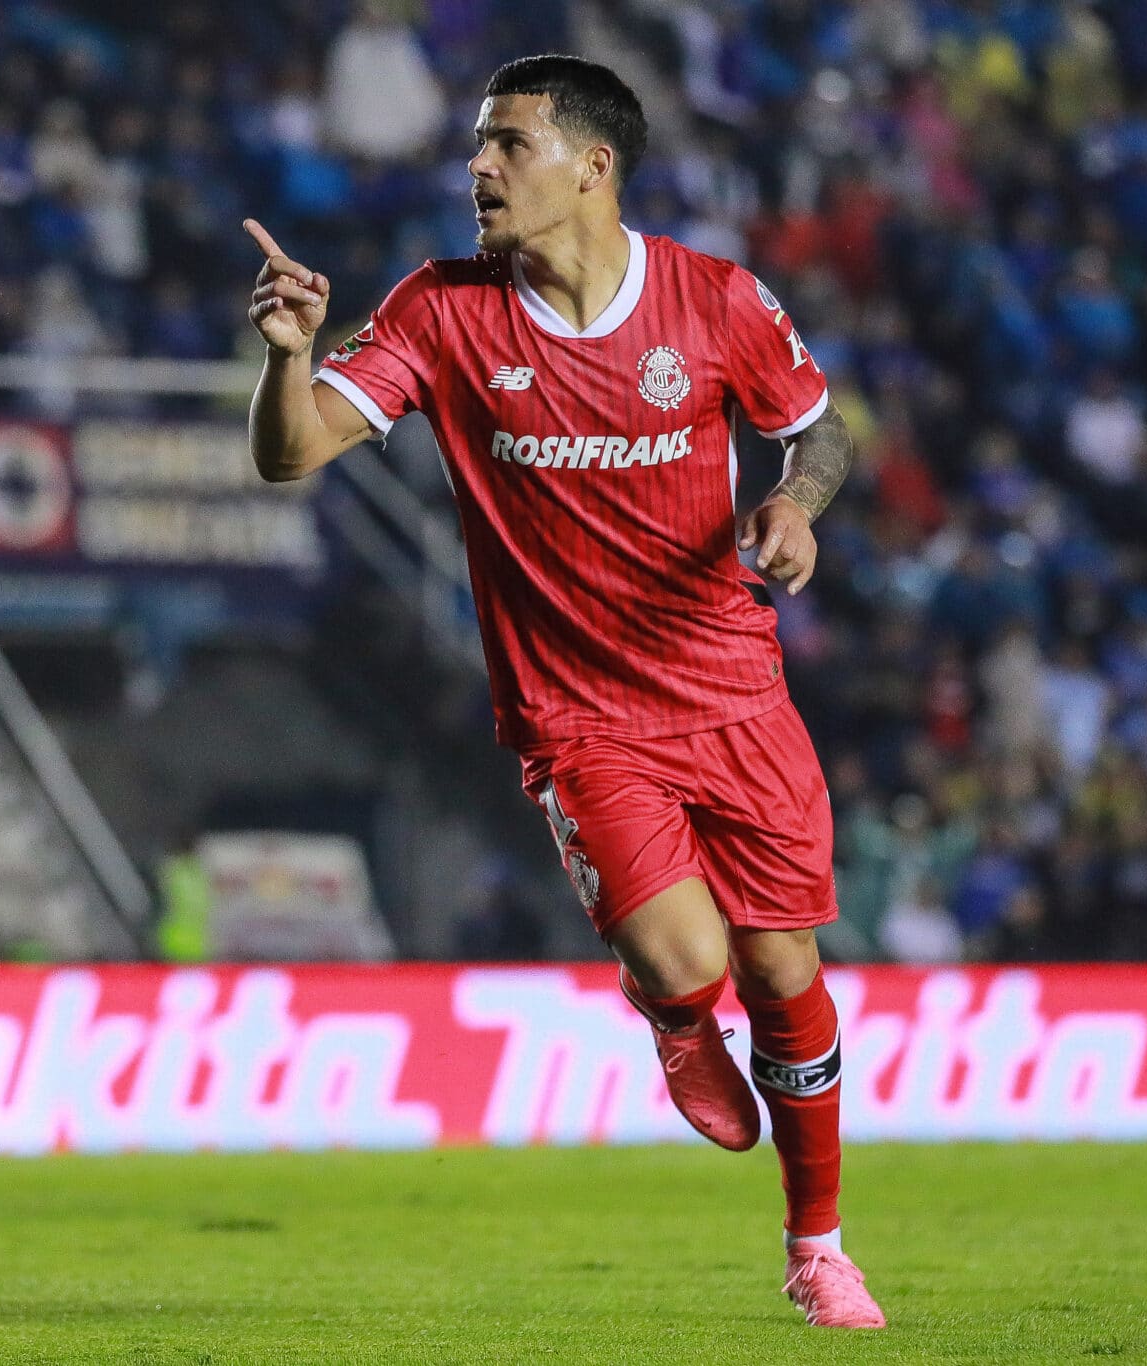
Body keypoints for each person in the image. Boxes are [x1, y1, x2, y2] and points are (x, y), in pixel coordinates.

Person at [243, 56, 883, 1329]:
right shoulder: (440, 310)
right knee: (686, 960)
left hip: (732, 690)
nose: (476, 167)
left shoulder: (713, 302)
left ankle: (816, 1246)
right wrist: (291, 354)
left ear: (590, 167)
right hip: (579, 714)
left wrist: (794, 508)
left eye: (505, 144)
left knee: (783, 968)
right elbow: (292, 452)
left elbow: (819, 429)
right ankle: (673, 1018)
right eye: (477, 146)